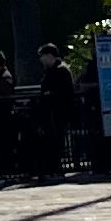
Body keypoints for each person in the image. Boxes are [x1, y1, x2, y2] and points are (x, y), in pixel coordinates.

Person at [36, 43, 77, 176]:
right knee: (54, 140)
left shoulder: (60, 70)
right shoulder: (54, 70)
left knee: (56, 140)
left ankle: (55, 168)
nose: (41, 60)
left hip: (58, 112)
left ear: (49, 55)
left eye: (42, 56)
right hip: (54, 112)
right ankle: (53, 168)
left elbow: (63, 92)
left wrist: (48, 94)